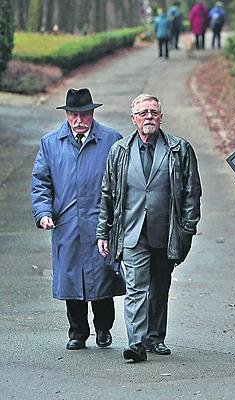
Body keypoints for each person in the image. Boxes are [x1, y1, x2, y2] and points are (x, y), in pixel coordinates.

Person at [97, 93, 202, 363]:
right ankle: (136, 343)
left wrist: (188, 228)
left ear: (161, 117)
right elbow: (107, 194)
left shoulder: (179, 149)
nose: (149, 117)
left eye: (153, 112)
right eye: (143, 113)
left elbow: (192, 192)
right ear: (133, 119)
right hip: (131, 232)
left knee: (160, 285)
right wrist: (103, 231)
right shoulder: (119, 151)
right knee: (136, 288)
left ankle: (155, 337)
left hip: (166, 232)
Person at [31, 88, 125, 351]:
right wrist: (43, 213)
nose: (79, 120)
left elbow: (122, 181)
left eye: (84, 114)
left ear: (92, 113)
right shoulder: (51, 143)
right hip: (67, 224)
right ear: (67, 115)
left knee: (104, 279)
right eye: (74, 114)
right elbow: (41, 182)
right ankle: (78, 332)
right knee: (72, 280)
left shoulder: (111, 140)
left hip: (100, 223)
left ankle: (104, 329)